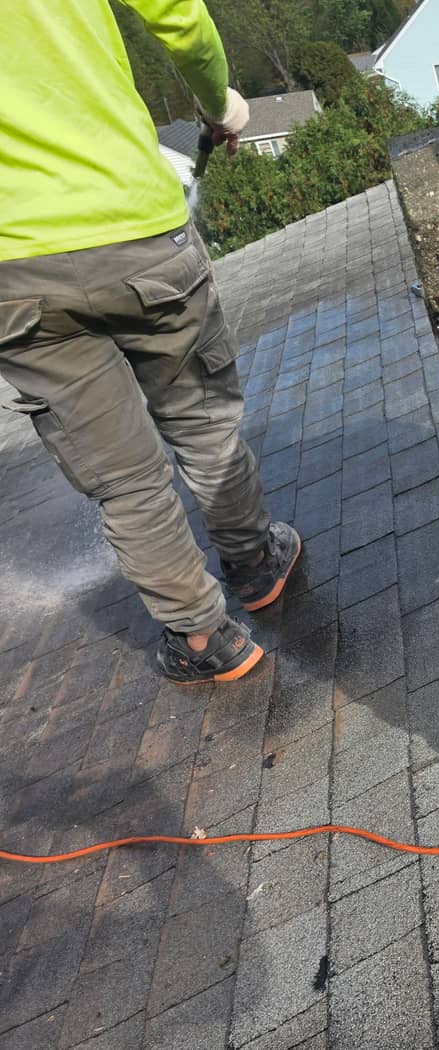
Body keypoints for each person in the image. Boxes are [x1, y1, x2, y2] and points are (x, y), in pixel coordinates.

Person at [1, 1, 299, 684]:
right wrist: (217, 99)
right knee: (202, 423)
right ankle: (254, 562)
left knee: (125, 479)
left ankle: (202, 639)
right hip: (133, 225)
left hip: (13, 274)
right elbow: (179, 16)